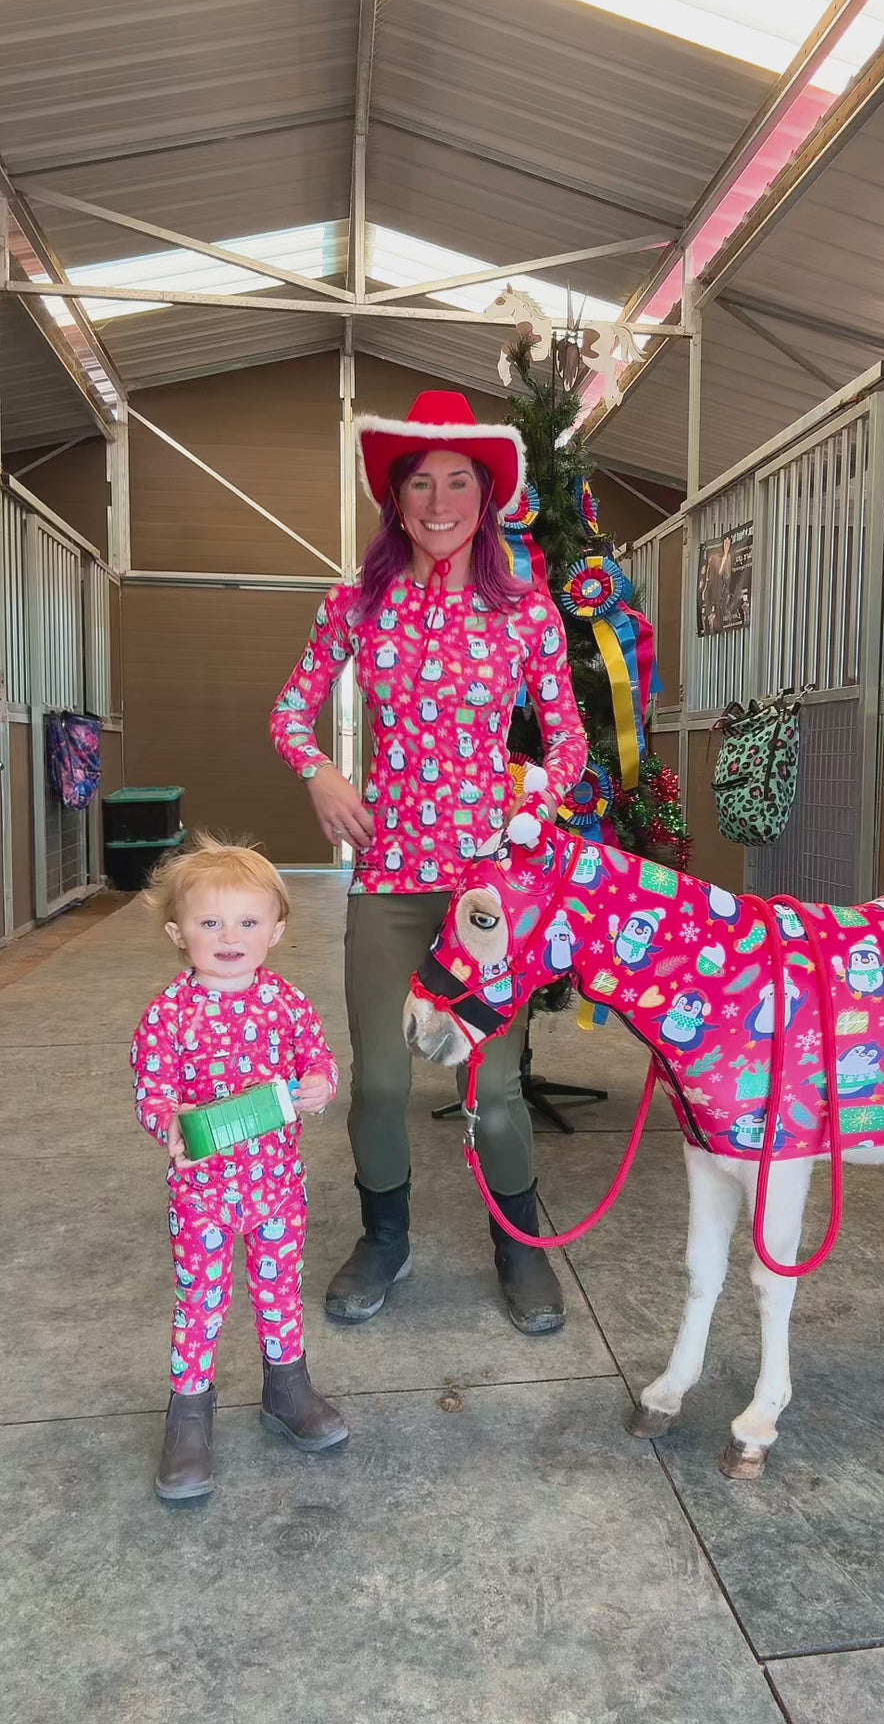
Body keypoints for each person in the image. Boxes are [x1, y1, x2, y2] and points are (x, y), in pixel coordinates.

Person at [271, 390, 587, 1335]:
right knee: (379, 1080)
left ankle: (518, 1247)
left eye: (459, 483)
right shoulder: (357, 603)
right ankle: (384, 1237)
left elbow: (567, 743)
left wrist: (528, 807)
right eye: (421, 483)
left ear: (485, 500)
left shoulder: (526, 612)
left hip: (486, 890)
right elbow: (290, 711)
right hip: (390, 881)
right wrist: (321, 770)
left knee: (491, 1089)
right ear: (395, 497)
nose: (439, 501)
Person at [130, 835, 346, 1503]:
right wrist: (167, 1123)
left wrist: (319, 1083)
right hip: (203, 1198)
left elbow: (318, 1060)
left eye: (248, 921)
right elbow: (153, 1089)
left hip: (278, 1189)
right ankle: (189, 1415)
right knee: (201, 1302)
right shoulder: (168, 1014)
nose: (231, 936)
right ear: (178, 932)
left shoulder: (286, 1001)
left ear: (275, 930)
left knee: (282, 1291)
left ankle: (288, 1390)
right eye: (210, 922)